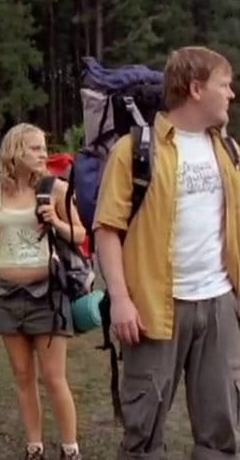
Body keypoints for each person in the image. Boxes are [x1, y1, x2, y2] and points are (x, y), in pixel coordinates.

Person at [95, 46, 240, 459]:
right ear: (195, 88)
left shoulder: (229, 150)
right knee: (143, 436)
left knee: (223, 435)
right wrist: (120, 300)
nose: (231, 95)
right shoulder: (133, 151)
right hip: (154, 312)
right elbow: (107, 229)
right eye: (224, 85)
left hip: (219, 306)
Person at [0, 124, 85, 460]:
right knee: (23, 376)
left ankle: (70, 448)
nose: (44, 154)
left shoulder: (56, 189)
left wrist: (56, 222)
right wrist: (14, 247)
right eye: (36, 149)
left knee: (54, 377)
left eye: (44, 148)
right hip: (7, 294)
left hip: (48, 295)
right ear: (16, 152)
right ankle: (34, 446)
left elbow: (81, 234)